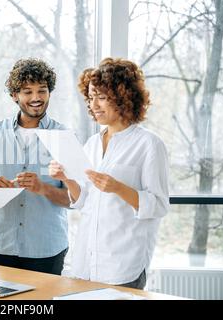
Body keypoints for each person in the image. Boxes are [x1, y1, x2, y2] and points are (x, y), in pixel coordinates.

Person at [49, 57, 169, 289]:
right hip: (86, 260)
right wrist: (67, 179)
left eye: (102, 97)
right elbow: (84, 199)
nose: (94, 105)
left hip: (123, 262)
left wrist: (118, 188)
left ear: (124, 98)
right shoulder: (93, 143)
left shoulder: (149, 145)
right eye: (91, 97)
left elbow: (159, 205)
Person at [0, 58, 71, 275]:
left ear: (49, 93)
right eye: (27, 91)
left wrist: (43, 188)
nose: (36, 98)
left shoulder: (64, 137)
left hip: (46, 250)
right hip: (1, 246)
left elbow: (73, 199)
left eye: (42, 91)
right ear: (14, 95)